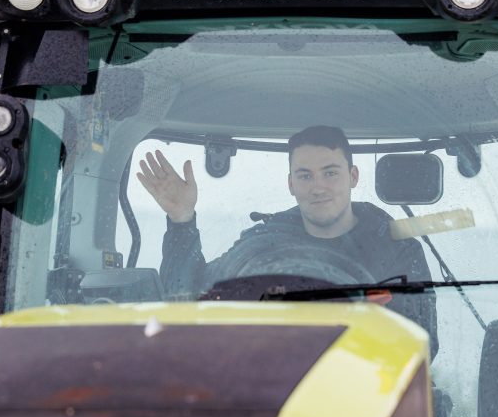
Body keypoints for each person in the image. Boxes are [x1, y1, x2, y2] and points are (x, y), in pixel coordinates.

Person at [137, 125, 438, 358]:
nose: (318, 187)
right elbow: (187, 301)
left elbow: (420, 345)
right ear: (291, 184)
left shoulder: (396, 250)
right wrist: (181, 219)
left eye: (330, 173)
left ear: (353, 176)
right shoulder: (263, 244)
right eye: (305, 176)